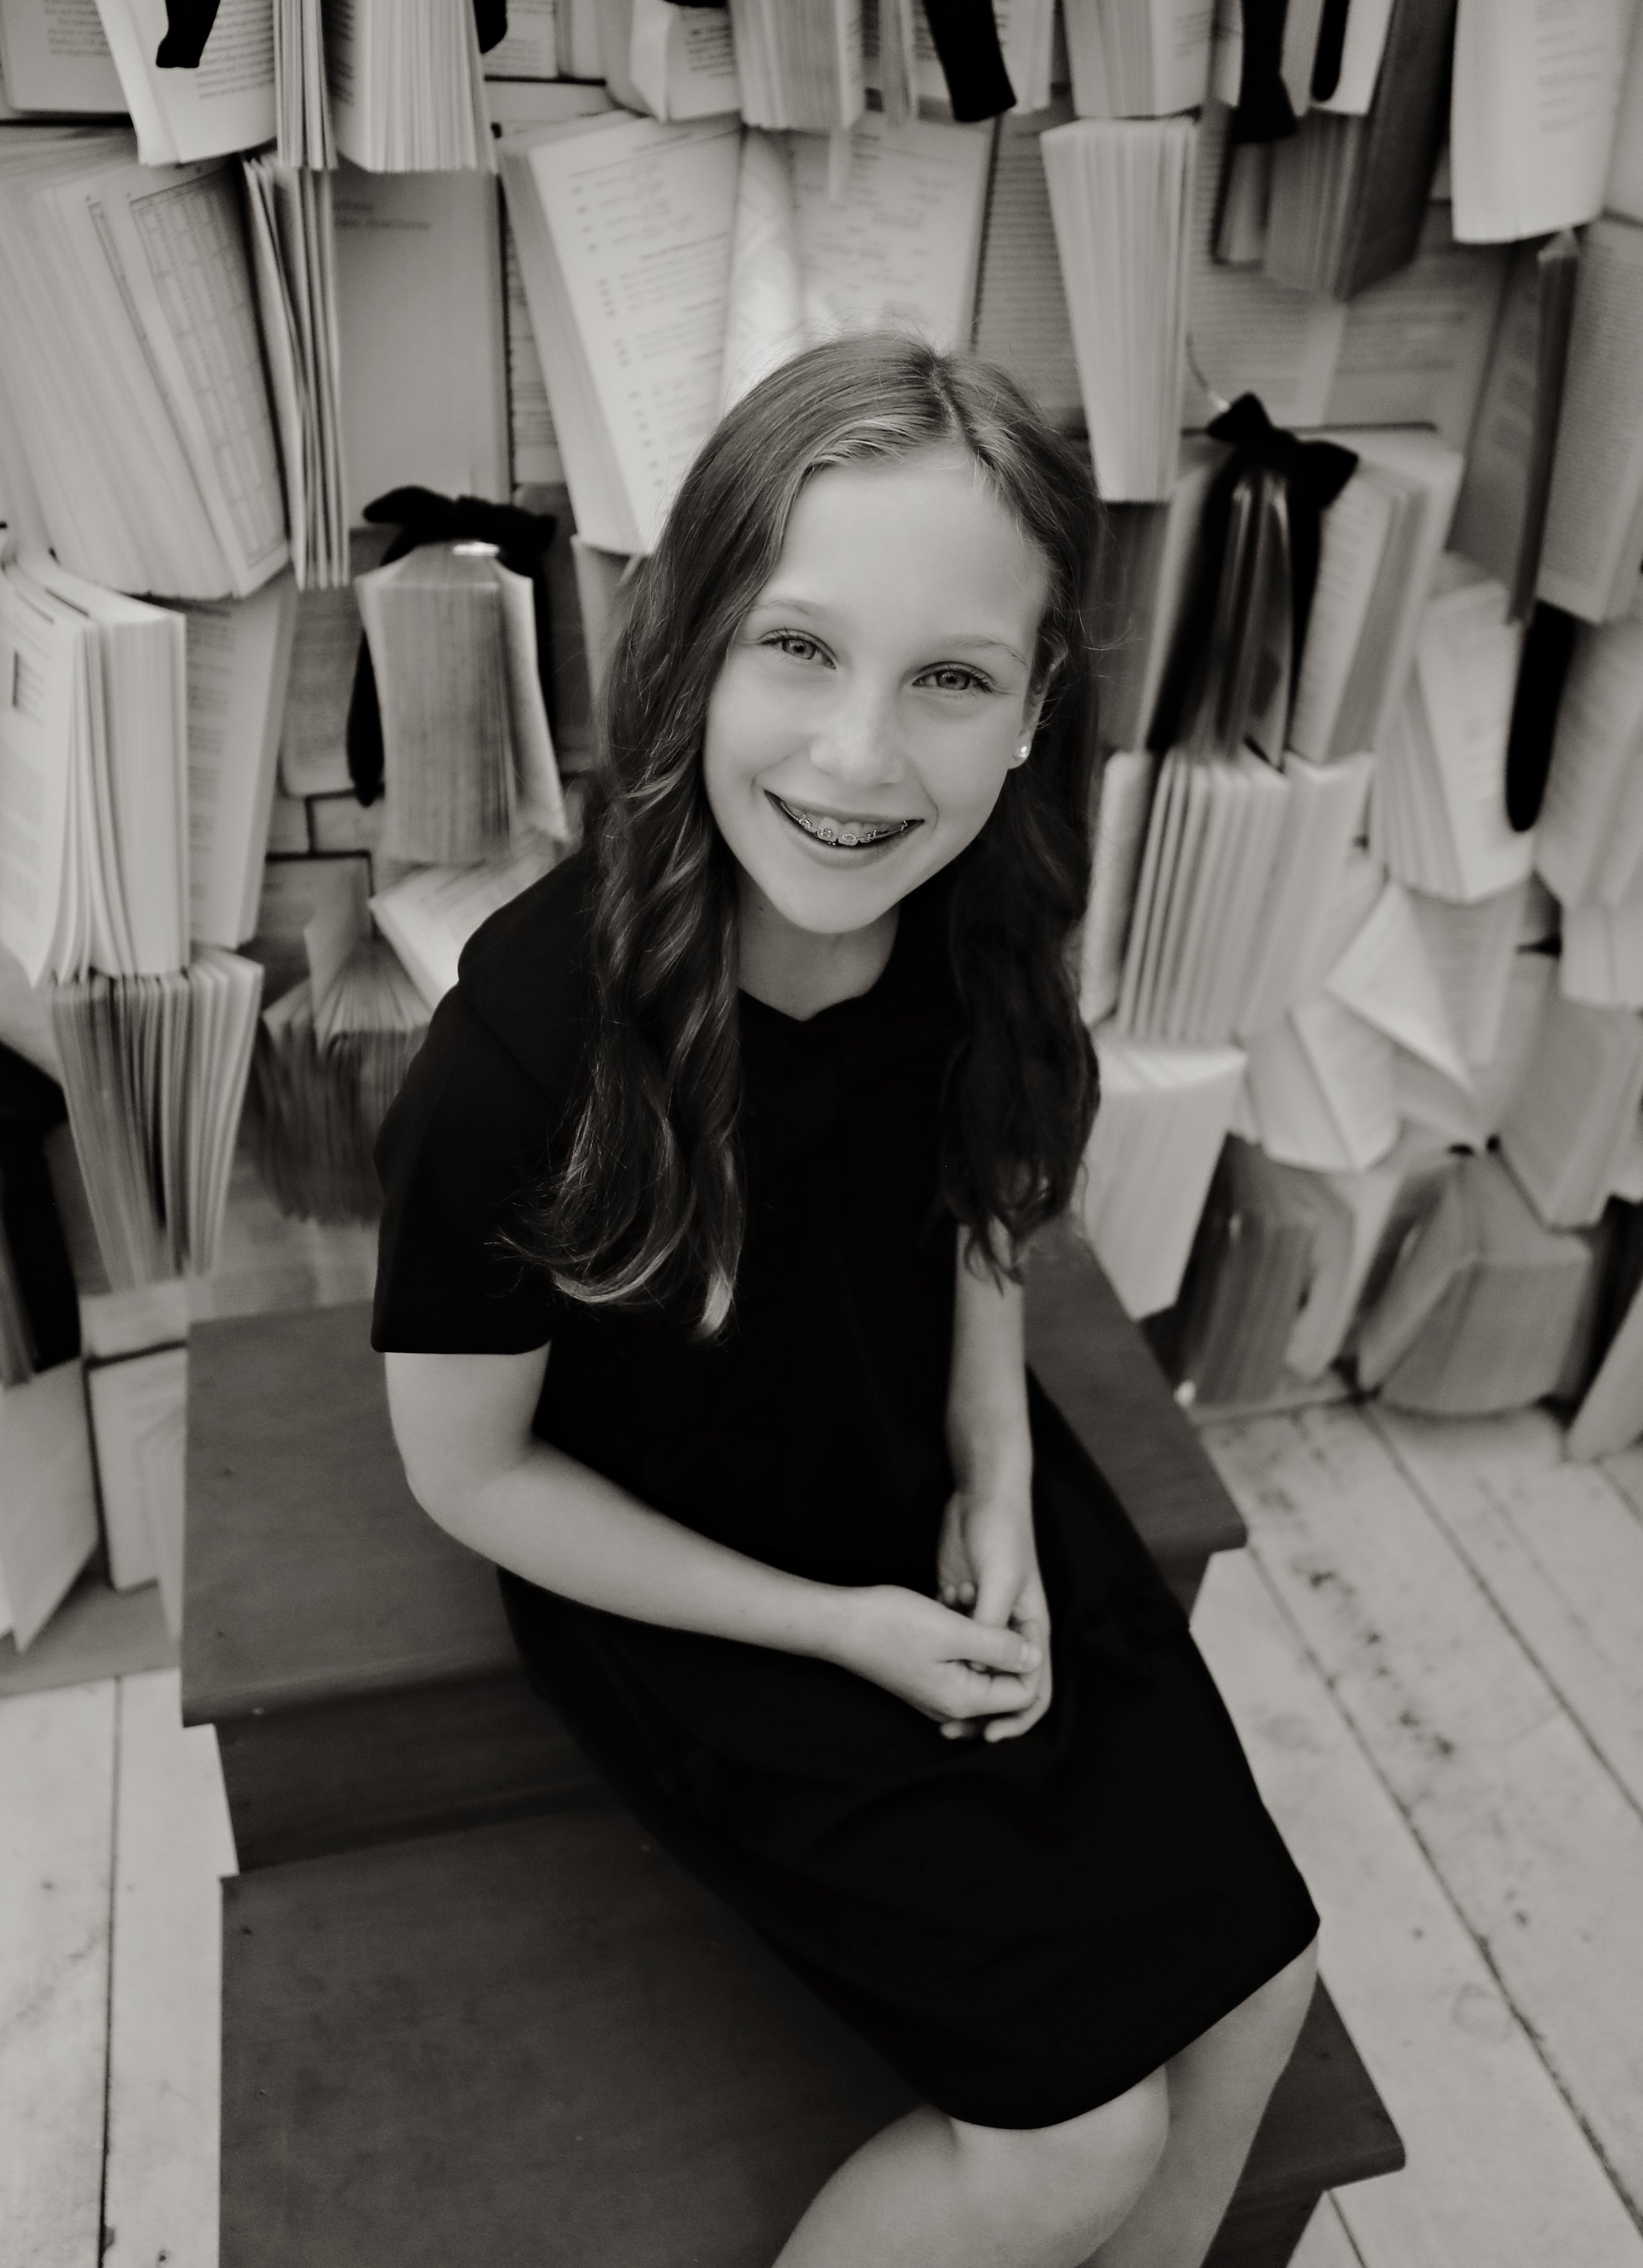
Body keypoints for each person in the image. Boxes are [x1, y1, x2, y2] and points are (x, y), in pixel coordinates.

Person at [373, 336, 1319, 2267]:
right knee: (1066, 2143)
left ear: (1034, 702)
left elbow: (979, 1190)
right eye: (797, 649)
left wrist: (988, 1461)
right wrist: (841, 1634)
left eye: (949, 678)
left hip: (916, 1454)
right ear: (697, 640)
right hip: (695, 1573)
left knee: (1259, 1994)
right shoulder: (524, 1048)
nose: (861, 759)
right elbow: (472, 1481)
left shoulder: (984, 897)